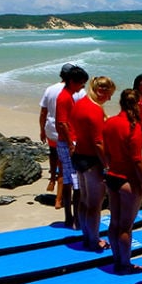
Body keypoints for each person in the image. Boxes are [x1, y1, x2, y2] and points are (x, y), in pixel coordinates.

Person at [103, 89, 142, 271]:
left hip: (113, 177)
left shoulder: (110, 123)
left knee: (114, 222)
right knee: (126, 227)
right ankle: (125, 264)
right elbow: (137, 159)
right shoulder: (134, 127)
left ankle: (117, 259)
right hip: (129, 181)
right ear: (137, 105)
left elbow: (106, 152)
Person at [69, 75, 115, 251]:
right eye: (108, 94)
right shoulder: (94, 109)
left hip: (79, 157)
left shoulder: (79, 104)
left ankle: (87, 236)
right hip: (91, 160)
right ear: (100, 91)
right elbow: (98, 142)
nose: (109, 98)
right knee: (94, 204)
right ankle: (94, 240)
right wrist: (107, 165)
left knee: (84, 200)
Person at [55, 65, 90, 229]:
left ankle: (71, 217)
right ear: (71, 81)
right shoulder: (64, 97)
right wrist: (71, 144)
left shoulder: (68, 95)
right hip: (67, 143)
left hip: (67, 141)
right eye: (81, 83)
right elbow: (62, 123)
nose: (82, 87)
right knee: (75, 183)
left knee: (70, 181)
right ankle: (75, 219)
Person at [39, 64, 79, 200]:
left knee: (53, 154)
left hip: (51, 128)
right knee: (66, 165)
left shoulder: (50, 89)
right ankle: (60, 196)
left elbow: (43, 112)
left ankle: (52, 179)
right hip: (68, 132)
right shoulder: (75, 91)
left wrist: (42, 130)